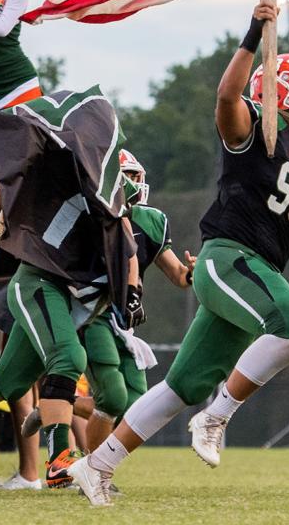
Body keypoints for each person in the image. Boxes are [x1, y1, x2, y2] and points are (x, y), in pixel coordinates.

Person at [70, 3, 289, 507]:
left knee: (180, 385)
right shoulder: (253, 126)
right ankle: (216, 417)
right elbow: (226, 94)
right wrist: (254, 33)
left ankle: (95, 465)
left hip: (256, 272)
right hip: (228, 258)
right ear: (273, 91)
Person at [0, 138, 139, 490]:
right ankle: (59, 459)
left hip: (67, 294)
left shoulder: (111, 199)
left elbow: (127, 244)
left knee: (7, 382)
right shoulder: (55, 173)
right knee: (68, 357)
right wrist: (15, 169)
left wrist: (134, 289)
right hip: (38, 281)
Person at [81, 149, 196, 452]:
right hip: (92, 311)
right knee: (113, 397)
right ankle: (93, 471)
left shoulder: (151, 220)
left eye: (136, 176)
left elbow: (178, 275)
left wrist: (192, 273)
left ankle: (64, 406)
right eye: (126, 177)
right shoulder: (91, 215)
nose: (133, 183)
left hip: (124, 319)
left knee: (136, 407)